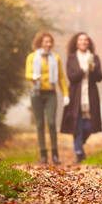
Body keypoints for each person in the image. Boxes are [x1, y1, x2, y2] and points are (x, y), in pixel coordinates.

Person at [25, 32, 69, 164]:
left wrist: (66, 94)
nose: (48, 44)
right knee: (39, 124)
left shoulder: (55, 57)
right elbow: (27, 73)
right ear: (40, 43)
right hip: (36, 94)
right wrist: (33, 77)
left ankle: (55, 154)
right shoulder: (32, 57)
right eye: (45, 42)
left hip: (51, 94)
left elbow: (61, 77)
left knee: (51, 123)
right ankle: (43, 154)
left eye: (50, 42)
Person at [61, 33, 102, 164]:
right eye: (81, 40)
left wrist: (92, 68)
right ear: (76, 43)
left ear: (88, 42)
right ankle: (78, 152)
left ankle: (80, 146)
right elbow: (72, 77)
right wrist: (83, 69)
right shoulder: (72, 58)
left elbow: (99, 78)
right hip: (75, 96)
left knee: (89, 126)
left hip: (90, 96)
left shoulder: (94, 57)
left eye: (86, 40)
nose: (83, 42)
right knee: (76, 124)